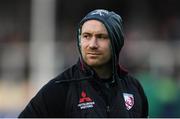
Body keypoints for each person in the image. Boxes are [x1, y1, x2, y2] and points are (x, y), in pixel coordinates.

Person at [18, 9, 148, 118]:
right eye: (86, 36)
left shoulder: (133, 87)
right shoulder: (60, 88)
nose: (92, 45)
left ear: (116, 42)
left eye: (101, 37)